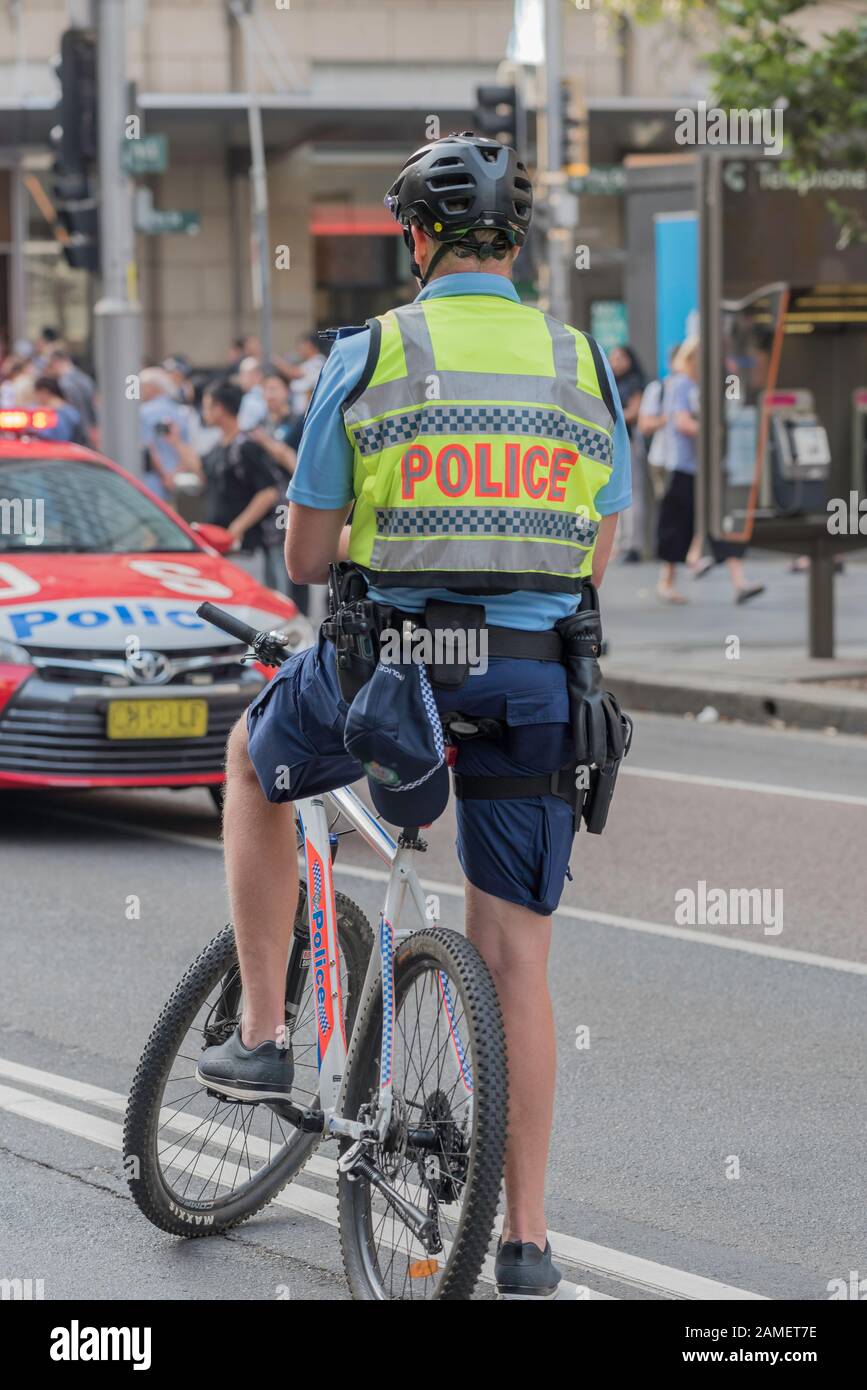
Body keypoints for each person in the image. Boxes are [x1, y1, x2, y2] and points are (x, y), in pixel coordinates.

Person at [196, 131, 632, 1301]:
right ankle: (530, 1240)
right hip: (541, 680)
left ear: (419, 239)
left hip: (396, 672)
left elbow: (305, 549)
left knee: (251, 759)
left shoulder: (377, 349)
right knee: (519, 961)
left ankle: (267, 1029)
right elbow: (599, 542)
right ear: (517, 243)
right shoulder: (579, 359)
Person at [656, 339, 764, 604]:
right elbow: (682, 422)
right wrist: (711, 433)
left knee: (718, 524)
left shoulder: (699, 386)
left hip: (703, 467)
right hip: (684, 465)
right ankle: (667, 580)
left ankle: (738, 581)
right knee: (678, 524)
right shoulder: (681, 384)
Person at [197, 380, 279, 568]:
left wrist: (237, 527)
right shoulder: (217, 446)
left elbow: (268, 492)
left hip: (243, 549)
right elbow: (202, 474)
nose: (205, 412)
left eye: (207, 406)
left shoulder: (245, 446)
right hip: (216, 547)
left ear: (220, 408)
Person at [250, 370, 309, 610]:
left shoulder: (297, 423)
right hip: (266, 505)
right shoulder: (261, 424)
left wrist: (267, 443)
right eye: (266, 389)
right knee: (270, 564)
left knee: (290, 559)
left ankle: (295, 616)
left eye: (275, 388)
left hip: (290, 501)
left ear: (287, 391)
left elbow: (295, 463)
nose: (270, 395)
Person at [608, 345, 647, 562]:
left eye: (620, 357)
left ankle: (633, 544)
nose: (616, 362)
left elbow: (635, 411)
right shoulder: (612, 382)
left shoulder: (634, 383)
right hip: (613, 443)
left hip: (630, 441)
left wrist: (611, 415)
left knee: (632, 493)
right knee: (616, 493)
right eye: (613, 357)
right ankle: (619, 543)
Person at [138, 367, 193, 501]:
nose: (140, 392)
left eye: (142, 387)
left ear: (153, 388)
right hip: (179, 480)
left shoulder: (144, 412)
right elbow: (188, 448)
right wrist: (175, 473)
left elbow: (150, 448)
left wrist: (164, 475)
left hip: (154, 481)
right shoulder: (182, 411)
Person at [44, 348, 98, 443]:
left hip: (75, 430)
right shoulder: (84, 379)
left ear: (56, 363)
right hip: (88, 427)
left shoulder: (64, 383)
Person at [30, 376, 83, 442]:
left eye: (37, 394)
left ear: (44, 392)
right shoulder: (69, 411)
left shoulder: (63, 413)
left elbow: (61, 437)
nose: (36, 398)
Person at [236, 356, 268, 432]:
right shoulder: (265, 393)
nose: (240, 379)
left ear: (257, 375)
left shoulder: (250, 399)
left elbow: (244, 428)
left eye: (243, 374)